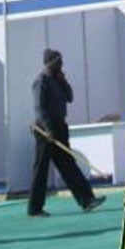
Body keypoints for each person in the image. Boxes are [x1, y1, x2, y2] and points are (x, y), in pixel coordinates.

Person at [26, 49, 105, 216]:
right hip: (45, 129)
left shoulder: (57, 80)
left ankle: (87, 200)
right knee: (41, 169)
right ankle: (34, 208)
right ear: (50, 63)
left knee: (68, 165)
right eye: (58, 62)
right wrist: (49, 129)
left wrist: (64, 82)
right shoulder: (41, 82)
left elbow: (70, 97)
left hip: (60, 126)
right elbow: (39, 108)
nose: (61, 65)